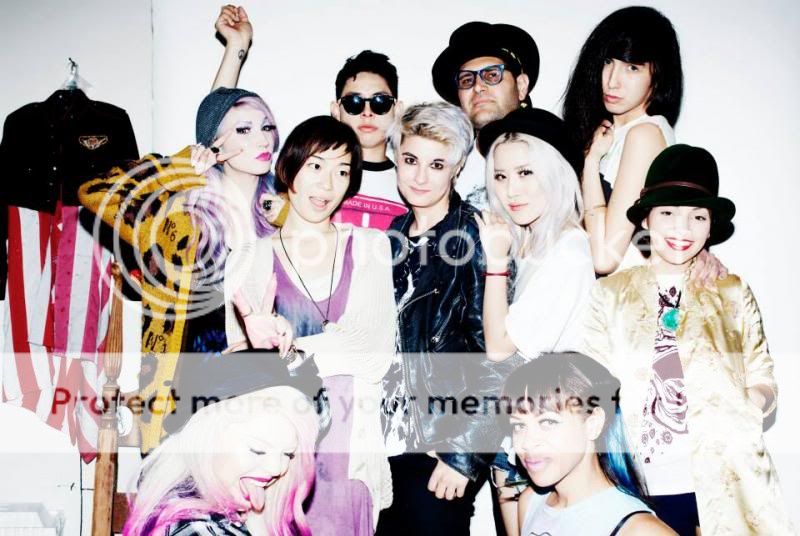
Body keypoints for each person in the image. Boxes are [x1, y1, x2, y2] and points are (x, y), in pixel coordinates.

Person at [582, 144, 795, 534]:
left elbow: (763, 377)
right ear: (646, 218)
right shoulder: (610, 294)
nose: (682, 229)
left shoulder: (732, 291)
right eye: (668, 214)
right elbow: (593, 389)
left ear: (710, 227)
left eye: (697, 217)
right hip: (641, 483)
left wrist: (749, 403)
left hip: (725, 477)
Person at [78, 87, 285, 452]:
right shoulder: (180, 211)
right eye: (243, 129)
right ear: (215, 141)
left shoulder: (282, 213)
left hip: (262, 392)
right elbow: (95, 190)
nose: (262, 139)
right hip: (185, 391)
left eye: (266, 126)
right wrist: (182, 166)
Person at [232, 115, 396, 534]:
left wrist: (291, 352)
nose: (327, 184)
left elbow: (373, 353)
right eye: (316, 166)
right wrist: (258, 354)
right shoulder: (250, 257)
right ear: (290, 168)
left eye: (342, 171)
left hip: (348, 454)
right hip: (275, 461)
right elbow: (236, 369)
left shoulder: (370, 246)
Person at [376, 102, 506, 536]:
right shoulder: (389, 239)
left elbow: (500, 356)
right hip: (383, 448)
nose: (420, 176)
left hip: (439, 447)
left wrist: (464, 454)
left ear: (458, 167)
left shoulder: (475, 236)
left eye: (436, 165)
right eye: (411, 160)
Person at [473, 107, 595, 535]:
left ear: (555, 173)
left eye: (526, 172)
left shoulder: (569, 251)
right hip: (525, 432)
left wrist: (495, 263)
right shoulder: (533, 246)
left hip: (556, 436)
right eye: (501, 176)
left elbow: (499, 346)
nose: (511, 190)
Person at [212, 5, 407, 231]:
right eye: (354, 102)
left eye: (380, 102)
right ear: (336, 110)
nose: (367, 112)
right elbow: (218, 127)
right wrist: (236, 46)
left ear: (397, 110)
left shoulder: (414, 184)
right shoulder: (301, 171)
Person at [123, 353, 322, 536]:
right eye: (258, 450)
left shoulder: (211, 506)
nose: (277, 468)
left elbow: (321, 413)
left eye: (288, 454)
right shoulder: (196, 530)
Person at [562, 6, 682, 274]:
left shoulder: (645, 135)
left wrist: (591, 163)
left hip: (624, 295)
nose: (612, 81)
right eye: (608, 62)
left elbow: (605, 257)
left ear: (658, 74)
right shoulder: (611, 134)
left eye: (632, 68)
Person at [504, 352, 675, 536]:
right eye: (519, 425)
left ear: (593, 424)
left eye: (548, 422)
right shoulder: (530, 502)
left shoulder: (641, 531)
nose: (527, 443)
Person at [431, 21, 540, 208]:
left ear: (521, 86)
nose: (478, 86)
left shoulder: (551, 157)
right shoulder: (442, 166)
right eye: (467, 80)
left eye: (492, 75)